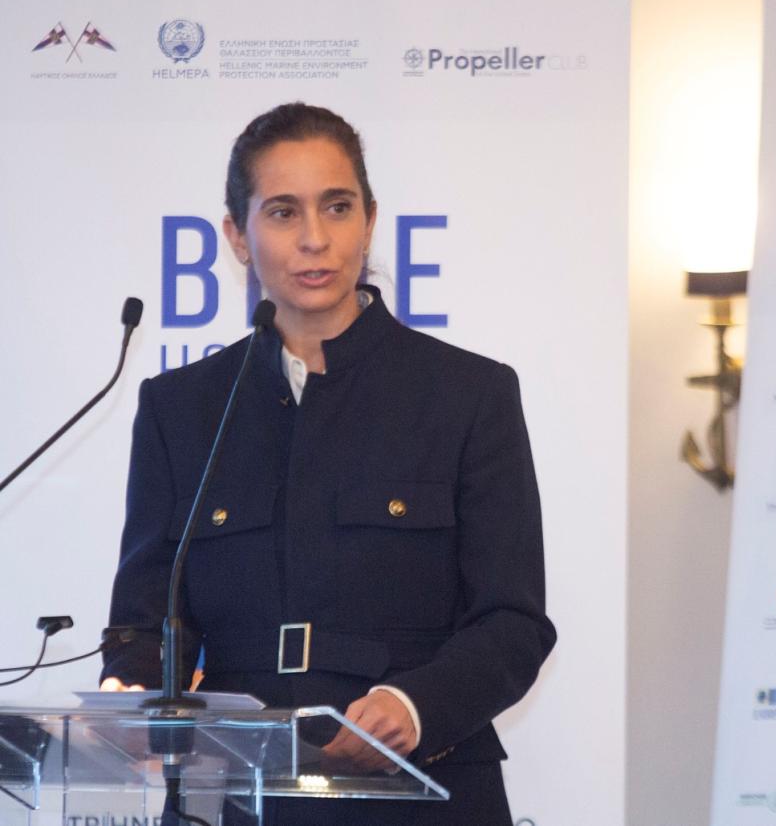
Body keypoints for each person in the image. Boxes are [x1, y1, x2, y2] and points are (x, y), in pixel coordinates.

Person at [101, 102, 555, 825]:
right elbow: (147, 621)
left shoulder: (469, 395)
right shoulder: (181, 408)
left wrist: (414, 706)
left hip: (423, 791)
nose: (315, 238)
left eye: (337, 207)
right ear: (237, 237)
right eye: (283, 212)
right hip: (235, 796)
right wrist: (130, 690)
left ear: (369, 221)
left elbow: (513, 623)